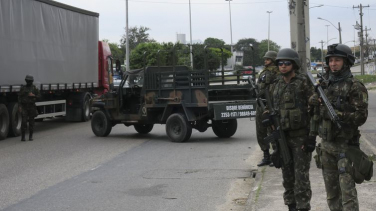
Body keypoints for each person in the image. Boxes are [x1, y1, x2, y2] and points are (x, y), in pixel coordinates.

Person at [309, 44, 369, 211]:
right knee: (332, 195)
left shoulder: (355, 86)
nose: (333, 64)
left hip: (345, 148)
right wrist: (312, 102)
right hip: (326, 147)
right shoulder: (324, 85)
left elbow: (361, 117)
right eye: (331, 60)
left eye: (337, 60)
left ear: (346, 62)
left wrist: (337, 114)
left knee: (348, 196)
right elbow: (312, 113)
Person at [268, 48, 314, 211]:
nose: (283, 66)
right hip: (283, 139)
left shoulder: (304, 82)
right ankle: (291, 207)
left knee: (301, 179)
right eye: (280, 63)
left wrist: (311, 138)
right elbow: (272, 114)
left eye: (287, 63)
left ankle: (303, 207)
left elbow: (314, 111)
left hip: (300, 138)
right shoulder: (276, 85)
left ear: (294, 64)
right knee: (287, 178)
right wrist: (275, 144)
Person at [256, 51, 279, 167]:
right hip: (261, 103)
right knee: (260, 130)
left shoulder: (277, 72)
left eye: (268, 59)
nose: (265, 61)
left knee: (272, 130)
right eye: (265, 59)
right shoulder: (263, 71)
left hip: (270, 104)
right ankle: (266, 155)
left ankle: (276, 154)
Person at [18, 75, 40, 141]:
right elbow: (19, 97)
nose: (29, 82)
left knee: (31, 122)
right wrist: (19, 106)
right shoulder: (23, 88)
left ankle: (30, 136)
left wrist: (34, 95)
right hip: (24, 107)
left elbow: (39, 96)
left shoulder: (34, 88)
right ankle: (23, 137)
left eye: (30, 81)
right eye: (28, 81)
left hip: (31, 107)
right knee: (24, 122)